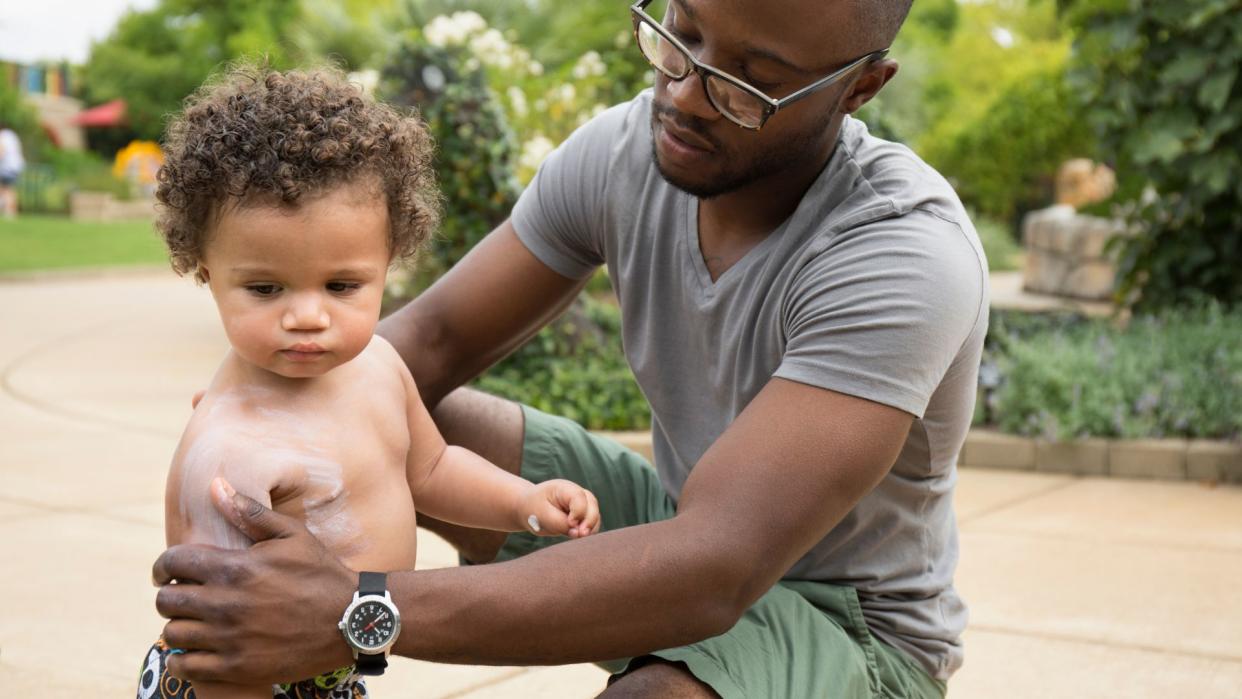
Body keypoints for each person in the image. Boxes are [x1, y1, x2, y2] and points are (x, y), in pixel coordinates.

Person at [153, 1, 989, 696]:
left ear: (860, 87)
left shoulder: (901, 253)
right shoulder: (632, 150)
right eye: (681, 35)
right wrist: (266, 417)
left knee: (659, 693)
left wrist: (359, 608)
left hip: (854, 628)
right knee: (387, 404)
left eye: (750, 83)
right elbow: (426, 343)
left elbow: (718, 565)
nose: (688, 94)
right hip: (682, 519)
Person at [137, 66, 601, 699]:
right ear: (204, 269)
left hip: (329, 661)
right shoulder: (229, 454)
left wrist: (523, 502)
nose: (307, 316)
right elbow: (216, 634)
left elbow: (431, 470)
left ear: (389, 263)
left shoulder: (377, 365)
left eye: (342, 286)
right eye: (265, 288)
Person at [0, 120, 25, 218]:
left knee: (7, 190)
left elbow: (2, 151)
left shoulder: (3, 136)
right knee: (9, 190)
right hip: (16, 166)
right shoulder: (12, 135)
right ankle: (11, 212)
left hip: (8, 167)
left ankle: (9, 212)